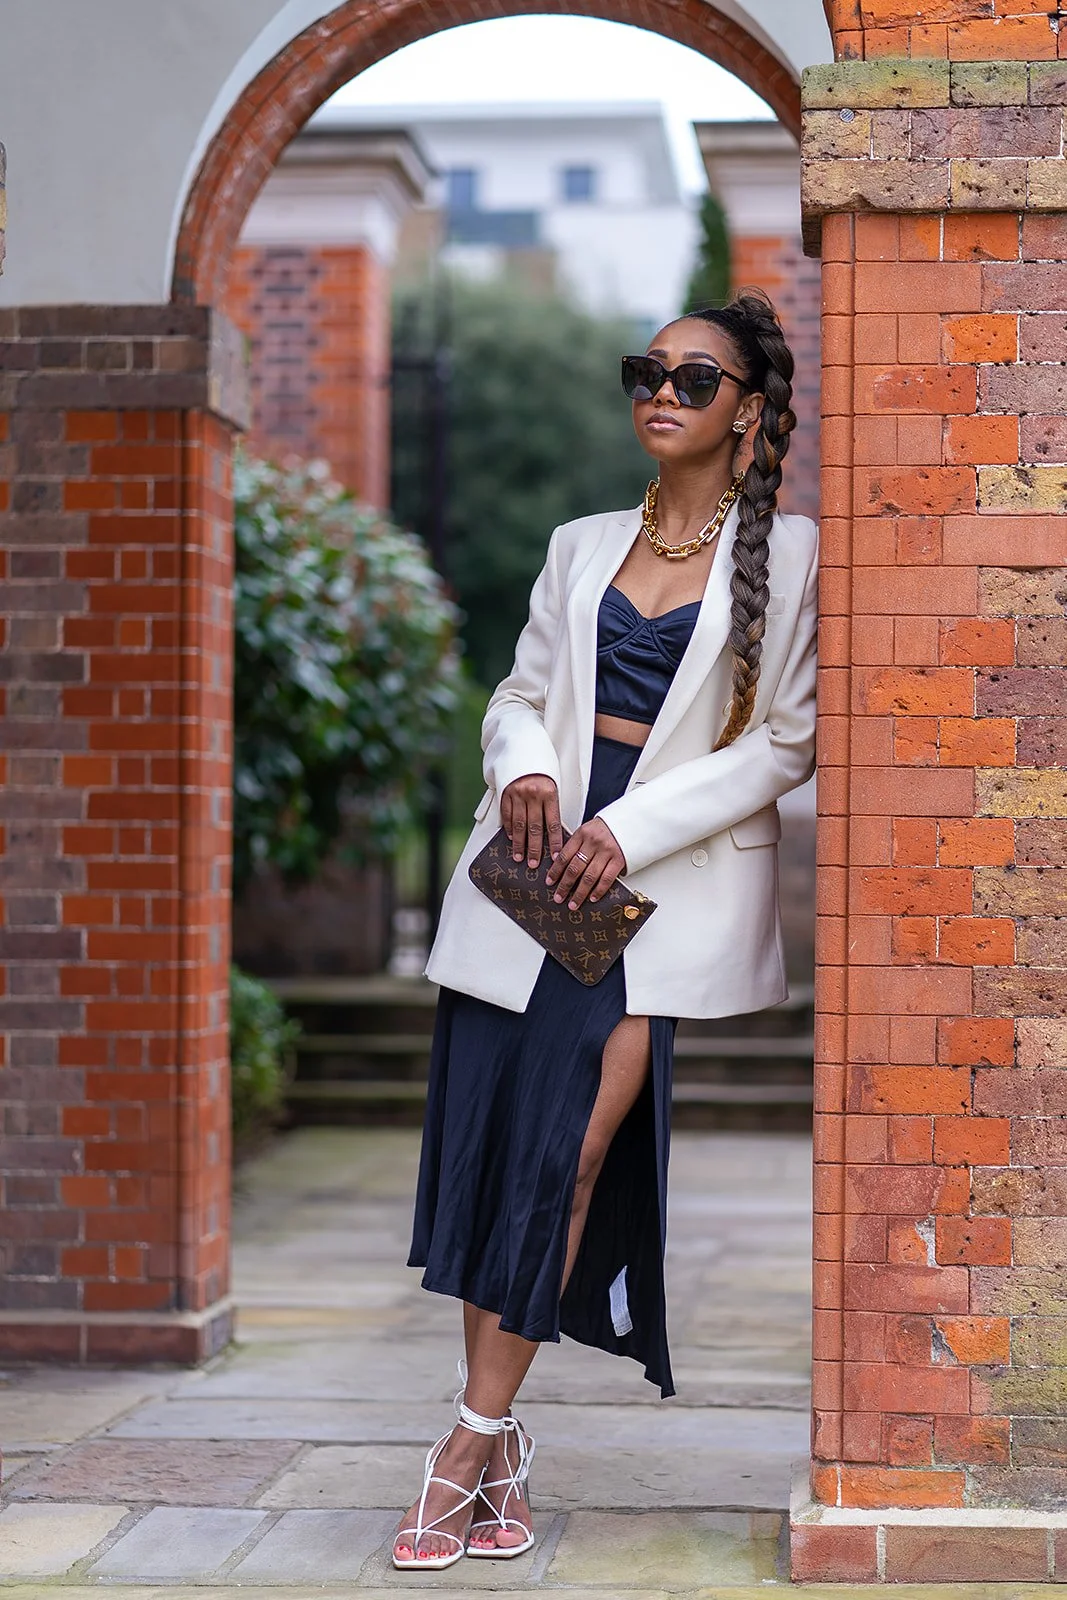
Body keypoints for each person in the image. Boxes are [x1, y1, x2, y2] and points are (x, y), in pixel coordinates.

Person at [392, 291, 818, 1570]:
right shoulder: (579, 544)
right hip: (533, 883)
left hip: (648, 896)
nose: (662, 394)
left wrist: (626, 830)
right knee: (494, 1150)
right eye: (647, 372)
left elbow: (786, 741)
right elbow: (518, 692)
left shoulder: (789, 556)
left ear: (746, 407)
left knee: (568, 1156)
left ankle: (464, 1443)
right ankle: (502, 1438)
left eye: (694, 380)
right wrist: (524, 762)